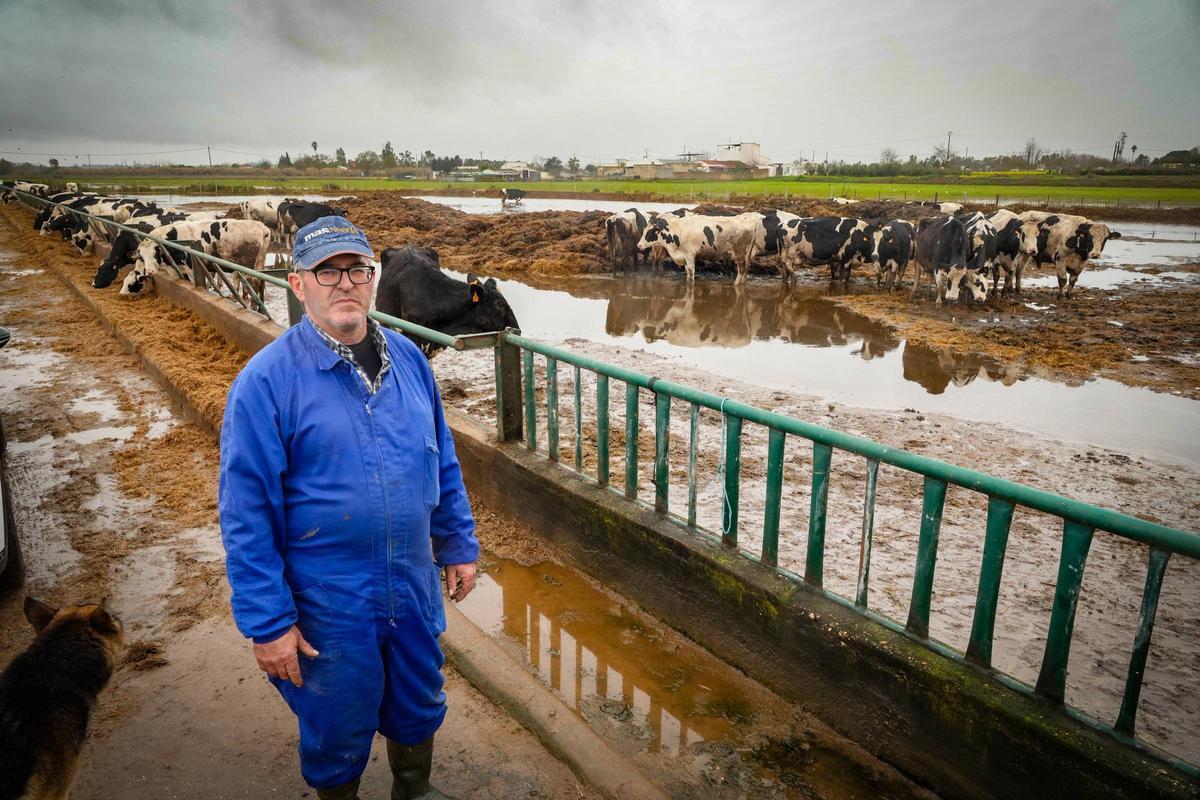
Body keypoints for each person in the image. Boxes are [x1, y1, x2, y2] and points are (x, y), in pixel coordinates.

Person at [218, 216, 478, 800]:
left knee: (417, 695)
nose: (344, 283)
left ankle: (415, 788)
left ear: (372, 278)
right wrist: (268, 622)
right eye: (326, 271)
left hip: (409, 580)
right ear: (297, 283)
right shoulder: (266, 384)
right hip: (326, 596)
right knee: (338, 717)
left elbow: (440, 461)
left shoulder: (410, 361)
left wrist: (457, 542)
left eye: (356, 269)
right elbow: (245, 514)